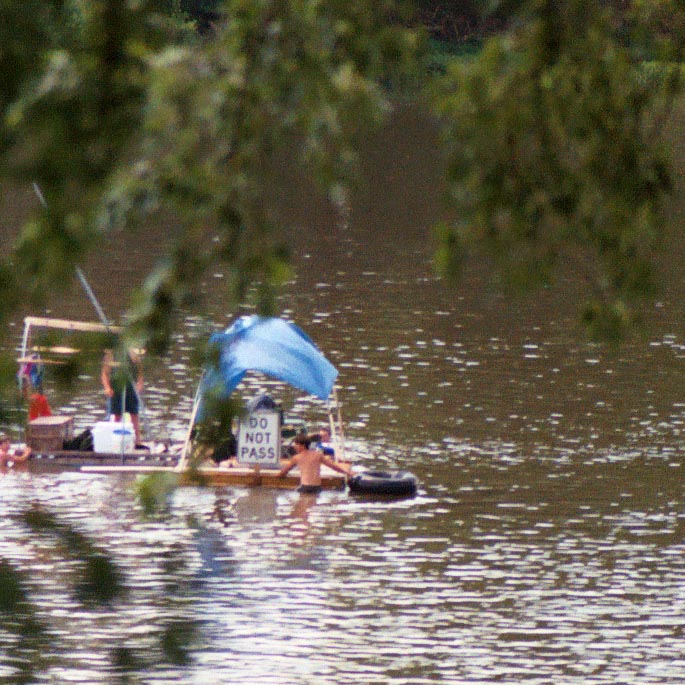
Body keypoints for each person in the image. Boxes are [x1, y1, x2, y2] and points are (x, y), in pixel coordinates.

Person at [278, 433, 351, 494]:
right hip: (317, 488)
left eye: (296, 444)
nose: (294, 447)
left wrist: (278, 476)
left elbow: (284, 472)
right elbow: (333, 466)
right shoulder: (318, 455)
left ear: (302, 445)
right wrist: (348, 472)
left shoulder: (296, 457)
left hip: (305, 487)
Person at [101, 348, 144, 444]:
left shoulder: (133, 353)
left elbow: (140, 371)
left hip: (131, 386)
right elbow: (104, 373)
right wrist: (107, 387)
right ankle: (115, 440)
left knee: (134, 413)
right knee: (117, 414)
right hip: (116, 387)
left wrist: (140, 383)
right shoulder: (111, 354)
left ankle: (137, 440)